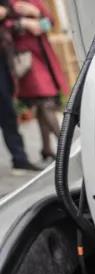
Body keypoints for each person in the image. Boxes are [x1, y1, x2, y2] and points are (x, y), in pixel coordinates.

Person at [10, 0, 66, 164]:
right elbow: (5, 26)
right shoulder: (8, 3)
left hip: (43, 56)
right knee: (45, 101)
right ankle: (66, 145)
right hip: (27, 58)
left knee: (42, 104)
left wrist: (37, 14)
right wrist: (23, 23)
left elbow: (50, 24)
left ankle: (46, 149)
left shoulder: (36, 2)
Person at [0, 3, 39, 172]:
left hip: (3, 62)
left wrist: (31, 15)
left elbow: (9, 12)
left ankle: (20, 158)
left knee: (7, 112)